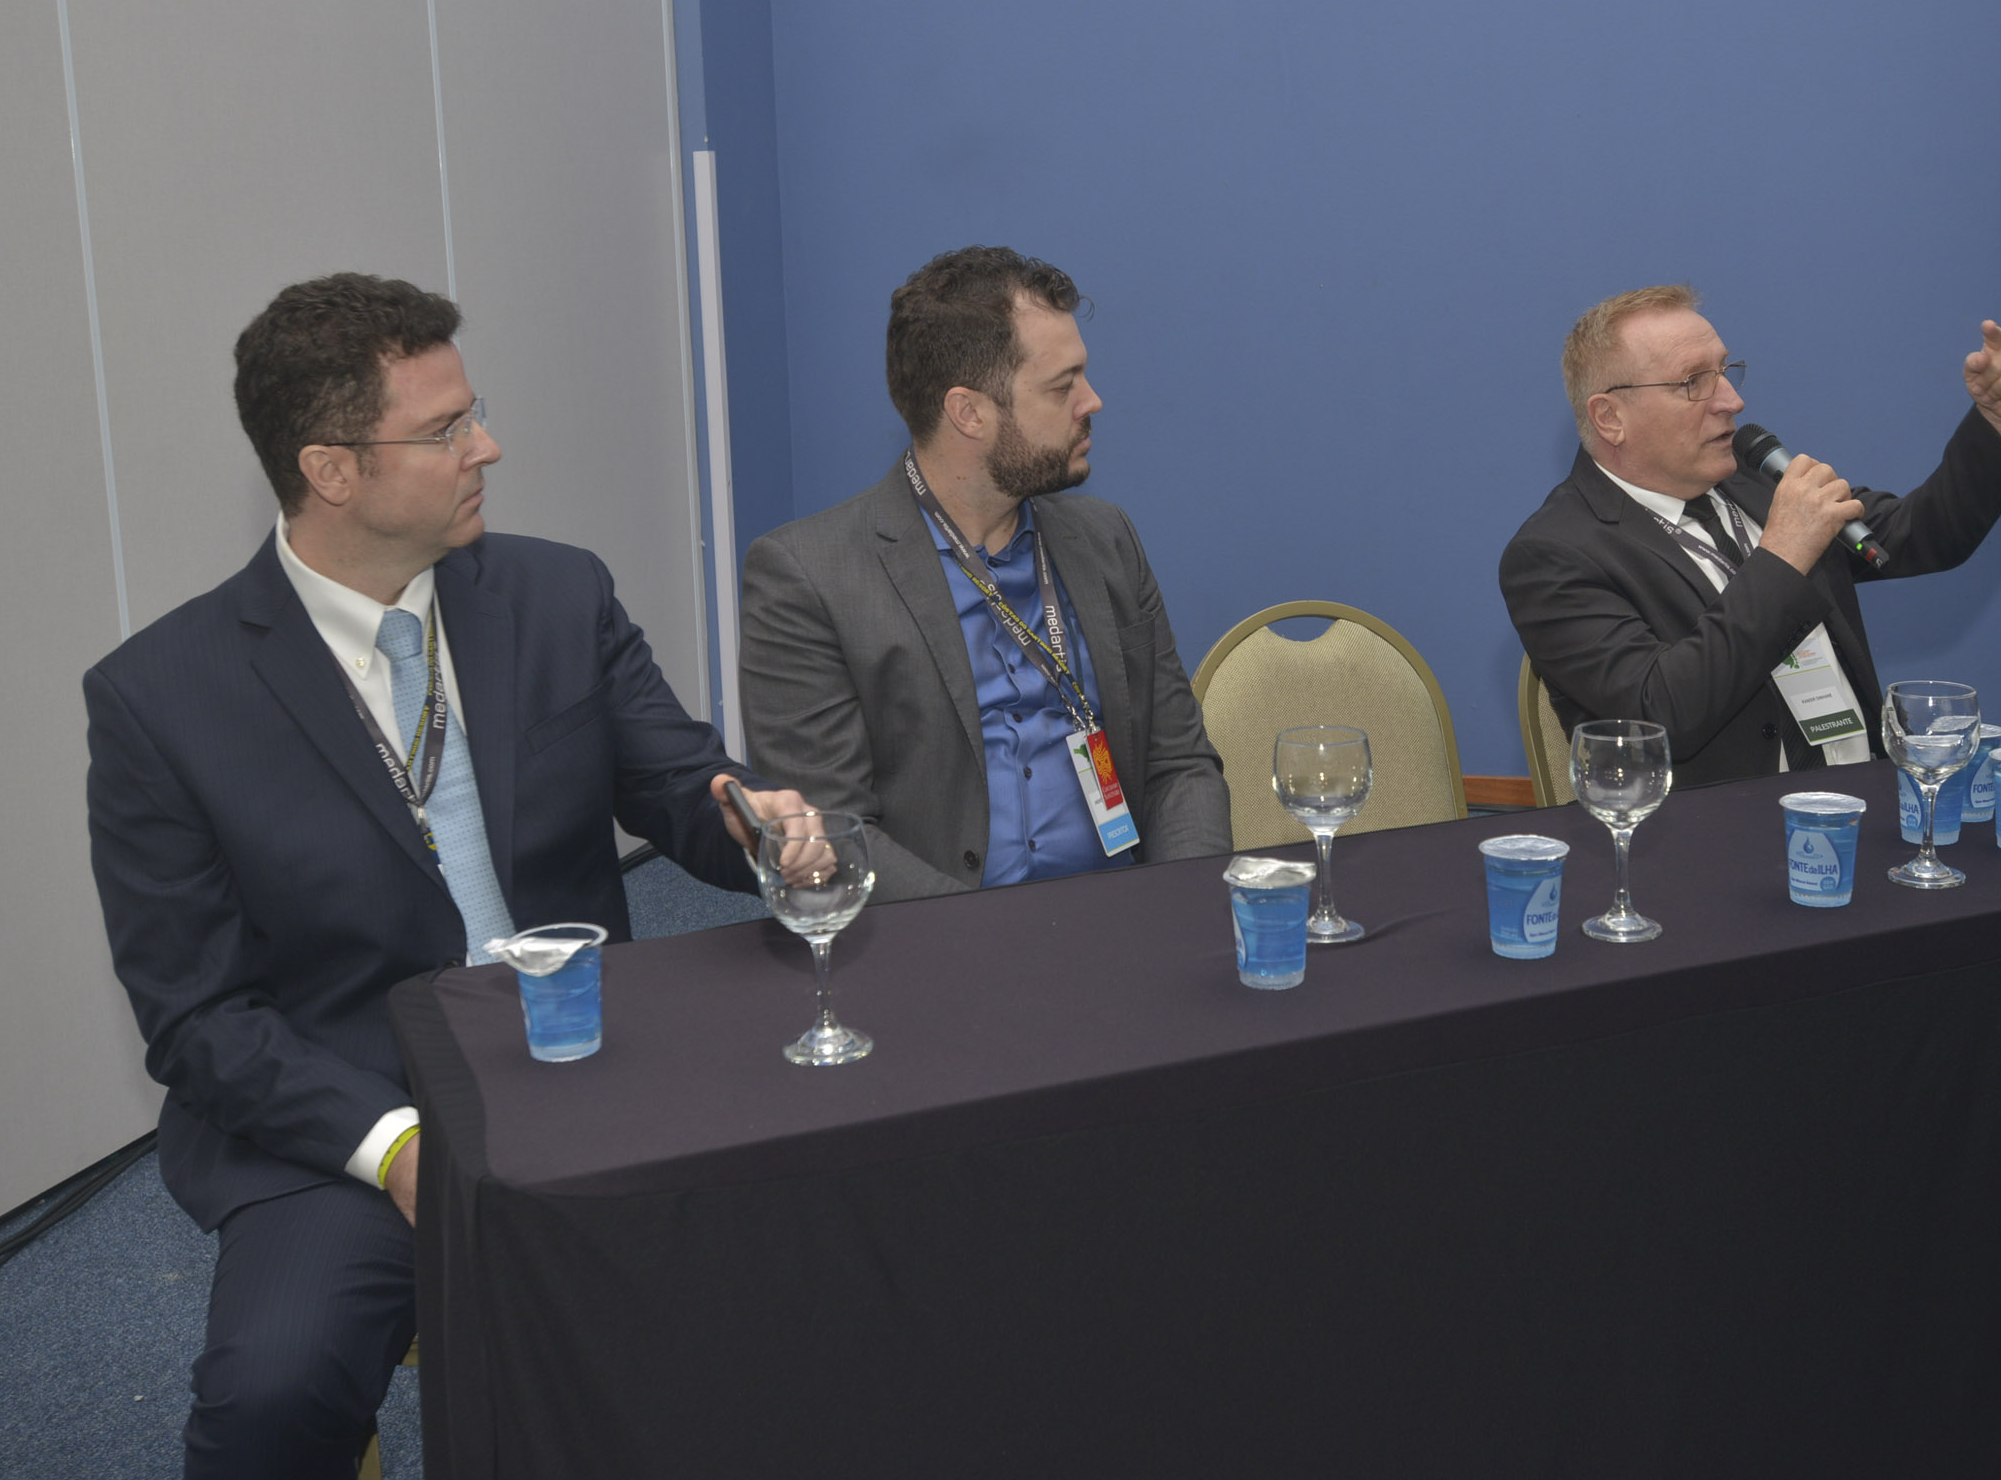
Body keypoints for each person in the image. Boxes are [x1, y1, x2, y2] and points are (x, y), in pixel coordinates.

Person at [84, 273, 807, 1479]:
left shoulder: (556, 593)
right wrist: (395, 1147)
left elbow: (680, 781)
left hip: (594, 1061)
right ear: (331, 470)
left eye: (475, 412)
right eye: (445, 430)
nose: (488, 446)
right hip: (348, 1112)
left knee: (805, 1267)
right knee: (270, 1396)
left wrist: (755, 824)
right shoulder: (163, 700)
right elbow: (197, 1017)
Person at [740, 245, 1231, 901]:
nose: (1093, 400)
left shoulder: (1105, 541)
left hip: (1127, 922)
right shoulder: (809, 578)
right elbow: (831, 827)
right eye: (1062, 386)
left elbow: (1180, 764)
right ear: (968, 413)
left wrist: (1180, 905)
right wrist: (989, 942)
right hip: (942, 941)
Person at [1499, 284, 2001, 790]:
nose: (1731, 401)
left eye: (1725, 371)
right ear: (1610, 418)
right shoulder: (1555, 555)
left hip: (1867, 804)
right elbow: (1661, 714)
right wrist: (1783, 554)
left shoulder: (1756, 480)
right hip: (1716, 838)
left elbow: (1920, 533)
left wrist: (1999, 423)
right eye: (1693, 382)